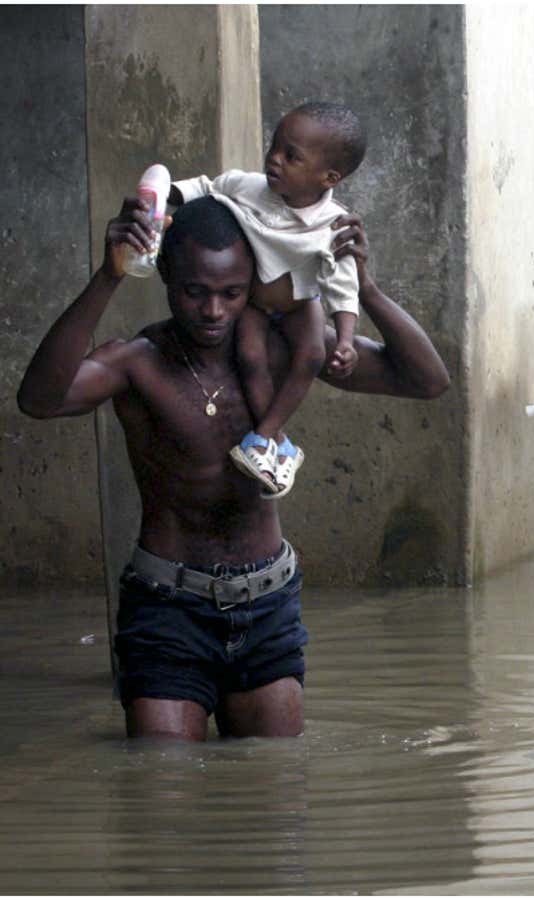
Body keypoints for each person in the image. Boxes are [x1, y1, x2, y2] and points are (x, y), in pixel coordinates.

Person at [15, 197, 451, 739]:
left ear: (254, 284)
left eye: (231, 293)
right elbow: (39, 400)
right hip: (167, 609)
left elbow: (428, 381)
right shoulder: (137, 361)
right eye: (196, 292)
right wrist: (110, 276)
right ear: (167, 278)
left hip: (267, 606)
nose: (214, 311)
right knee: (162, 787)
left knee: (270, 791)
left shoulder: (279, 350)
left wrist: (365, 289)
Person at [169, 102, 369, 499]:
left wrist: (346, 339)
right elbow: (205, 188)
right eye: (274, 146)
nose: (274, 159)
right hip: (257, 304)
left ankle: (264, 435)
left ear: (329, 177)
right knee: (250, 357)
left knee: (311, 355)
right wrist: (164, 195)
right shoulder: (248, 186)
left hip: (300, 302)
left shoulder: (334, 224)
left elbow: (342, 285)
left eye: (291, 156)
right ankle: (273, 441)